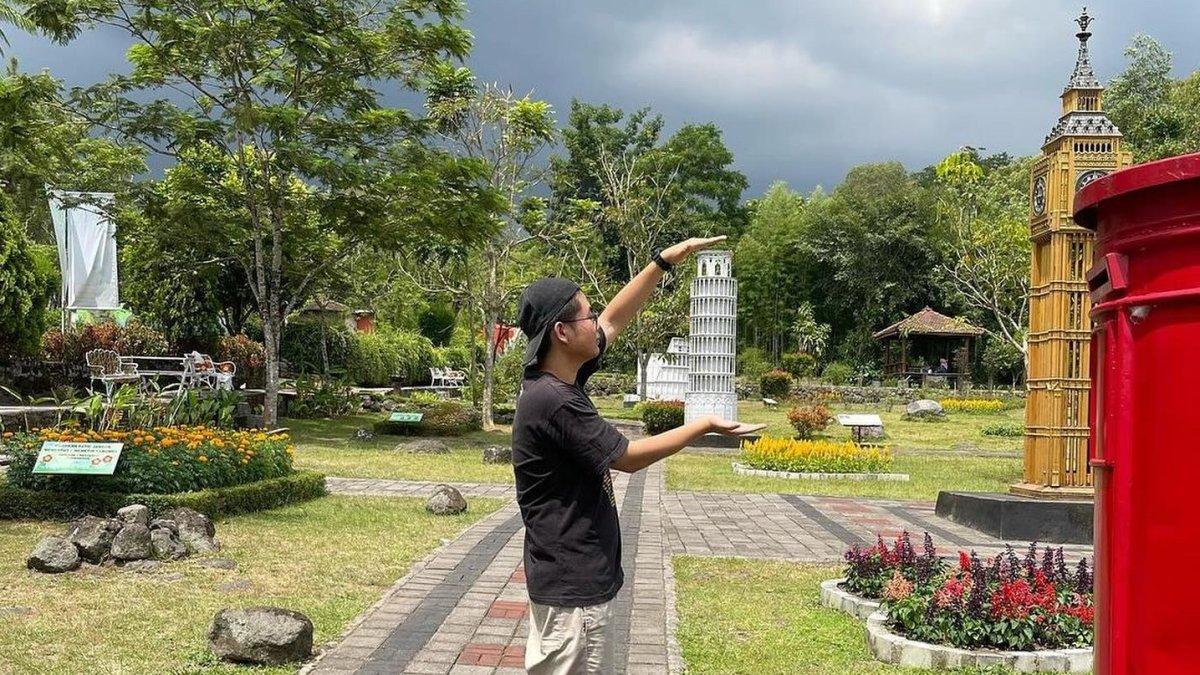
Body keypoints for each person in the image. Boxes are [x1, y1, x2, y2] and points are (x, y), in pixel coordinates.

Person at [512, 236, 765, 674]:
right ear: (562, 332)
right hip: (574, 594)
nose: (596, 321)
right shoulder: (554, 400)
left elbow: (614, 318)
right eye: (585, 315)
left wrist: (662, 263)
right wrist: (702, 425)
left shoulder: (558, 375)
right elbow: (626, 456)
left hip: (567, 579)